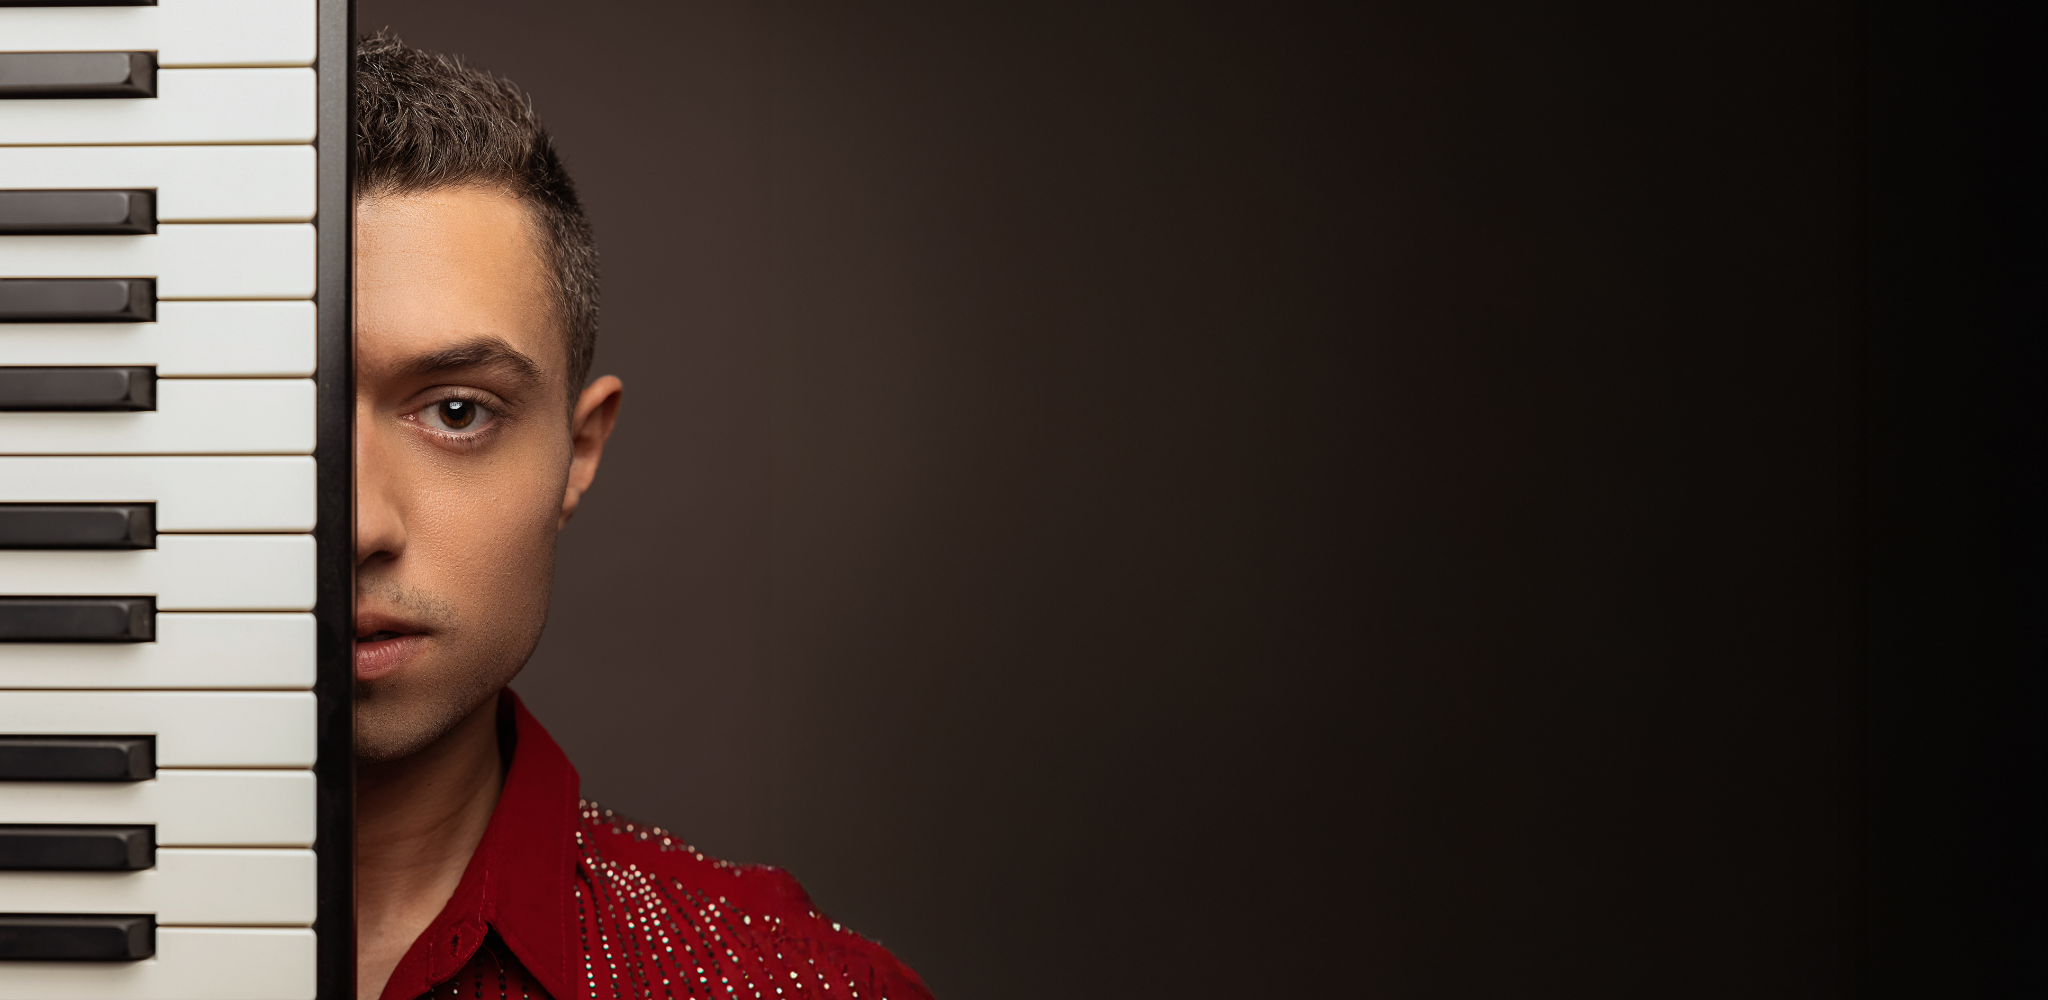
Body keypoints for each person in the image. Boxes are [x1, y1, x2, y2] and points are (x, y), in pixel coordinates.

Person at [349, 33, 933, 1000]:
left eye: (456, 412)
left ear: (578, 453)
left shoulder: (797, 986)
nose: (362, 523)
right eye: (279, 411)